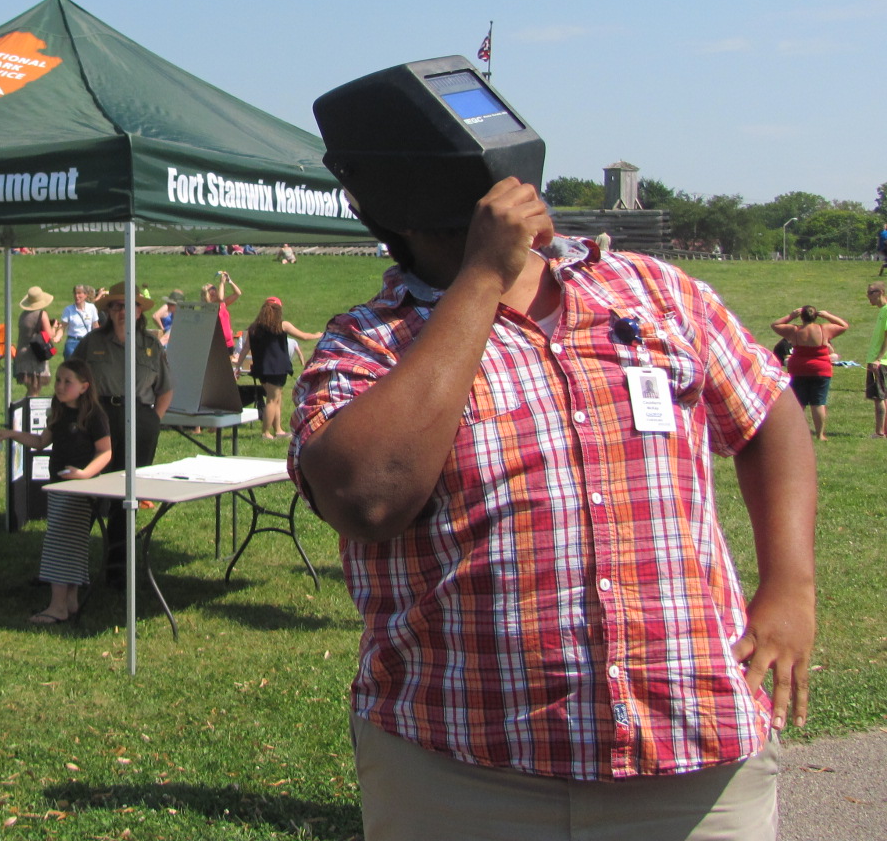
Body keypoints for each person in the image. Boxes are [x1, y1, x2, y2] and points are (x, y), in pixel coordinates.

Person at [291, 173, 815, 841]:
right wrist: (482, 277)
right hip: (460, 768)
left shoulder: (655, 291)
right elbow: (367, 498)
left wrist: (791, 587)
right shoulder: (368, 343)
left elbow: (769, 412)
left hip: (693, 756)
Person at [0, 359, 113, 624]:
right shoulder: (59, 410)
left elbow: (105, 451)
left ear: (84, 387)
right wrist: (12, 434)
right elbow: (41, 442)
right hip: (57, 486)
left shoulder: (94, 415)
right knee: (70, 544)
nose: (60, 386)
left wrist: (84, 474)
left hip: (80, 489)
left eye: (68, 382)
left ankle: (57, 607)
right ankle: (70, 602)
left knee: (59, 544)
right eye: (58, 380)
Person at [76, 282, 172, 585]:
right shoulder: (91, 343)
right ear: (108, 311)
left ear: (140, 311)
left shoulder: (151, 345)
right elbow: (70, 379)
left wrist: (150, 421)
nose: (121, 311)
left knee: (125, 496)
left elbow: (166, 390)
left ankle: (117, 568)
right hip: (100, 419)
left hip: (139, 420)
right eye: (115, 306)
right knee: (87, 492)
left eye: (128, 306)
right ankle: (70, 569)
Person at [236, 296, 321, 439]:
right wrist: (318, 335)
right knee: (272, 399)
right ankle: (266, 432)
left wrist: (238, 366)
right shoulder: (282, 325)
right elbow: (304, 337)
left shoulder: (254, 328)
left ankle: (279, 429)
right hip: (277, 368)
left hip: (261, 368)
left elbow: (245, 348)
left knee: (277, 398)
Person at [771, 305, 849, 442]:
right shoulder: (824, 329)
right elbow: (844, 325)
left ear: (802, 317)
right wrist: (827, 315)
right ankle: (820, 434)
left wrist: (791, 316)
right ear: (816, 316)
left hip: (799, 369)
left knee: (799, 403)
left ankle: (795, 432)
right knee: (818, 403)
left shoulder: (794, 330)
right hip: (821, 369)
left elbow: (775, 325)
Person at [14, 286, 59, 397]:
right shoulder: (41, 314)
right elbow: (49, 336)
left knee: (31, 389)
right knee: (34, 389)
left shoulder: (23, 315)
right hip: (34, 355)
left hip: (21, 354)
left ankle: (27, 411)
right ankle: (30, 413)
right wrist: (55, 327)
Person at [201, 271, 243, 349]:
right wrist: (222, 283)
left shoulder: (222, 304)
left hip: (229, 343)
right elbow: (220, 298)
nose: (214, 289)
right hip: (217, 343)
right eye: (211, 289)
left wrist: (229, 281)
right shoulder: (208, 307)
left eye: (214, 287)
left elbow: (238, 293)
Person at [866, 282, 887, 438]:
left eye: (870, 293)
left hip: (880, 362)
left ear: (880, 292)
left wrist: (878, 359)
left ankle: (879, 432)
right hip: (877, 360)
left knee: (879, 396)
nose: (868, 296)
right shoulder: (882, 311)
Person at [58, 285, 99, 357]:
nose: (77, 296)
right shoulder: (68, 309)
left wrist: (99, 339)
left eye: (79, 293)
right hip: (72, 342)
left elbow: (95, 325)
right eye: (75, 293)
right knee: (71, 366)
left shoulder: (91, 308)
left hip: (86, 341)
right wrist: (58, 336)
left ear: (85, 295)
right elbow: (62, 327)